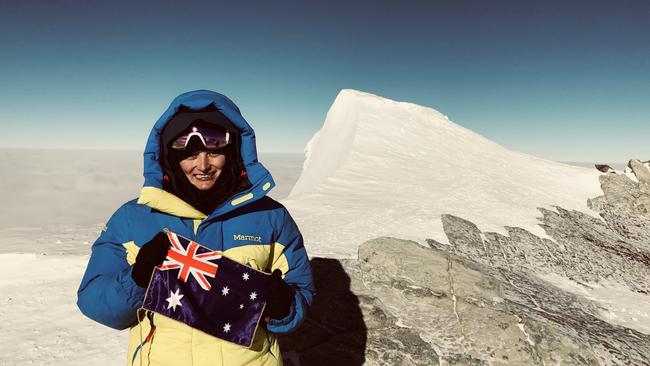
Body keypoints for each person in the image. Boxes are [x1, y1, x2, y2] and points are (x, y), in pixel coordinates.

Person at [77, 90, 315, 366]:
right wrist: (137, 280)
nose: (203, 165)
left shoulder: (269, 217)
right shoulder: (133, 219)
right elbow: (96, 305)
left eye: (214, 150)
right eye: (189, 152)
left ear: (235, 150)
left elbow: (301, 296)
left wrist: (283, 306)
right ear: (168, 155)